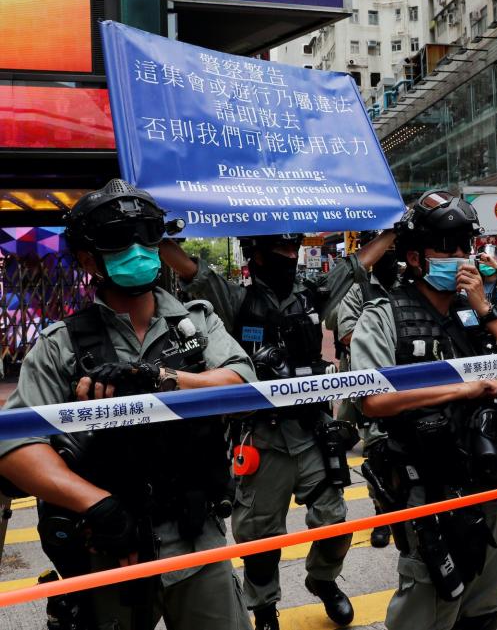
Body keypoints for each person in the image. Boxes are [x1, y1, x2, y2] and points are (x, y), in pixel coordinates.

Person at [0, 179, 254, 630]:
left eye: (147, 236)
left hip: (199, 537)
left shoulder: (196, 324)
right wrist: (97, 504)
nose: (138, 250)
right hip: (109, 547)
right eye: (120, 240)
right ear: (87, 260)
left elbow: (242, 384)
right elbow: (16, 445)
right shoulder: (60, 346)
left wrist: (163, 379)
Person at [160, 228, 396, 629]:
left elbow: (359, 263)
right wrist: (157, 234)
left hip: (312, 430)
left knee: (334, 522)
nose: (290, 255)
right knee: (260, 536)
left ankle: (323, 581)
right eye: (281, 249)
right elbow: (189, 270)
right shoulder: (235, 298)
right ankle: (265, 607)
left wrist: (393, 227)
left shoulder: (312, 292)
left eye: (294, 247)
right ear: (257, 255)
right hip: (262, 436)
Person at [350, 190, 497, 630]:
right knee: (430, 603)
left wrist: (486, 308)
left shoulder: (477, 312)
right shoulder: (385, 313)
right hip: (426, 482)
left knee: (484, 602)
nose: (461, 258)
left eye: (466, 247)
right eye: (447, 249)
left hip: (488, 474)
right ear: (414, 257)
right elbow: (371, 400)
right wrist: (460, 391)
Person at [335, 238, 401, 549]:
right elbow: (348, 335)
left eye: (393, 252)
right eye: (384, 252)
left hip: (405, 383)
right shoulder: (357, 290)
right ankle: (382, 515)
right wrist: (385, 338)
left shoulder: (407, 286)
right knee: (377, 448)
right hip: (369, 381)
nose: (390, 258)